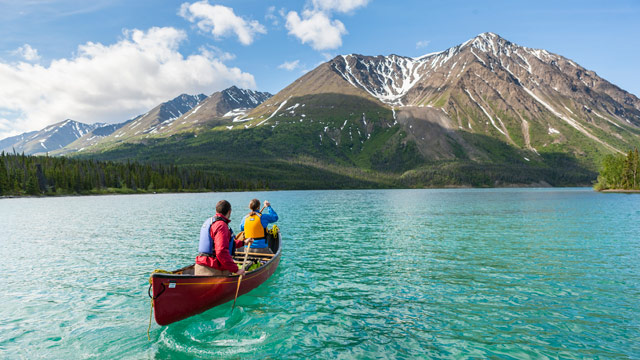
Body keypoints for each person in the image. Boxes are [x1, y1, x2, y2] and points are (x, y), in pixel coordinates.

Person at [195, 200, 253, 276]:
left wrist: (243, 242)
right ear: (229, 211)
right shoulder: (221, 225)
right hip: (213, 270)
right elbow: (221, 251)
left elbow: (226, 243)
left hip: (200, 266)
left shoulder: (210, 222)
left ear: (216, 210)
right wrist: (236, 270)